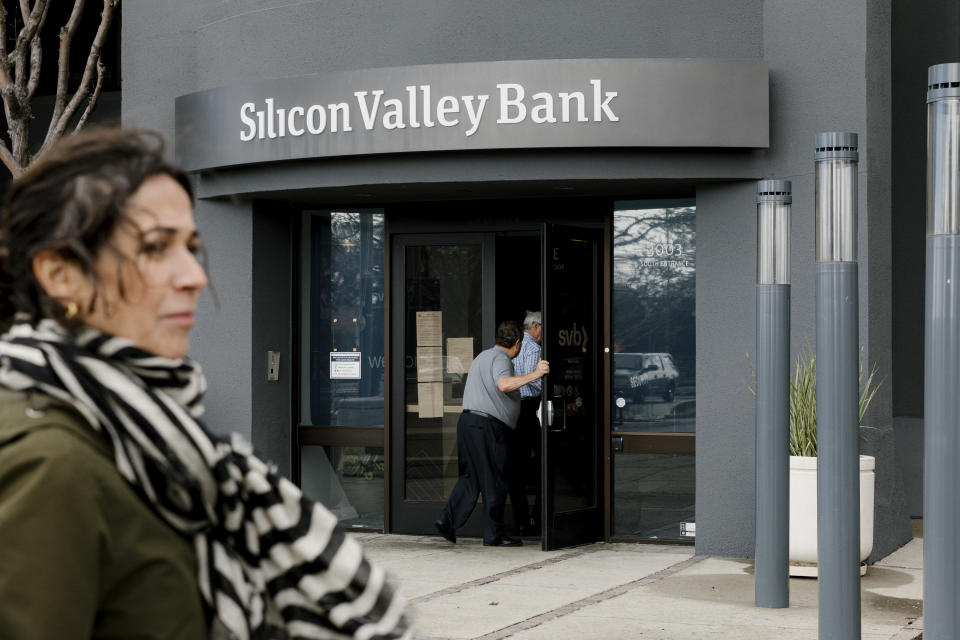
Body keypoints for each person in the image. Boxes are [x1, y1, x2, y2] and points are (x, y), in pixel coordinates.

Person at [0, 128, 412, 640]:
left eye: (192, 247)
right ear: (61, 275)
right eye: (155, 248)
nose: (194, 275)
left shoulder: (163, 438)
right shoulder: (48, 462)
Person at [434, 320, 549, 547]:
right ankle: (494, 534)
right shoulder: (501, 359)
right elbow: (504, 385)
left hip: (468, 422)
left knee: (471, 478)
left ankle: (447, 520)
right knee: (496, 478)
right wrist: (535, 374)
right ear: (516, 343)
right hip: (487, 427)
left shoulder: (482, 357)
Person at [508, 310, 543, 537]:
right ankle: (537, 519)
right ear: (536, 326)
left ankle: (521, 520)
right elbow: (536, 385)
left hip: (512, 408)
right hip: (529, 409)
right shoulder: (533, 348)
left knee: (515, 468)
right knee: (544, 466)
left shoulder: (512, 345)